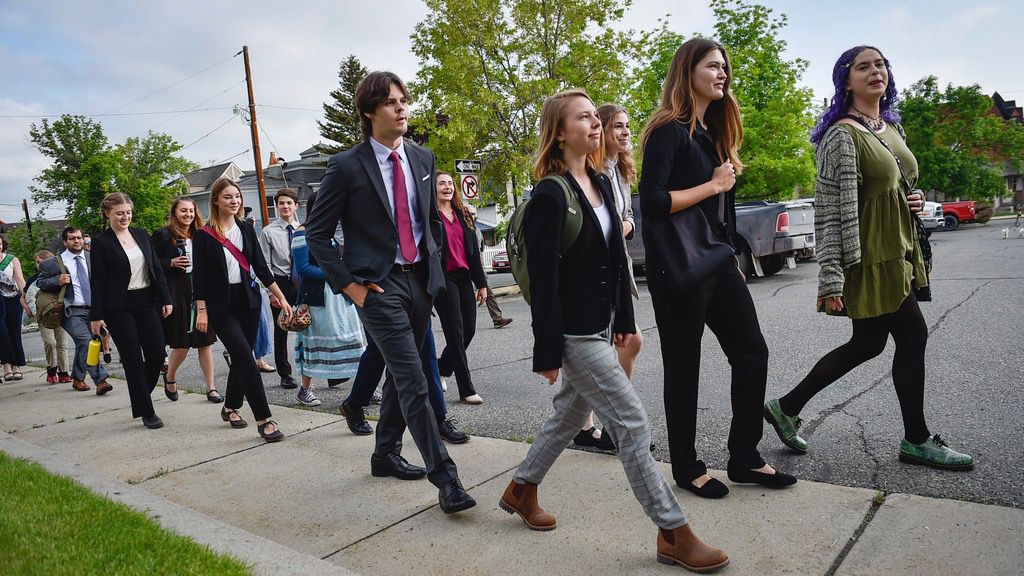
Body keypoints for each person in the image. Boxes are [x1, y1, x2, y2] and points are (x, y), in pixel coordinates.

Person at [499, 88, 727, 572]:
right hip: (575, 335)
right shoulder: (549, 194)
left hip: (603, 325)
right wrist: (547, 351)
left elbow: (615, 261)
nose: (594, 123)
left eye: (593, 116)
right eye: (583, 118)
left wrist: (624, 319)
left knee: (566, 418)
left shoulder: (601, 183)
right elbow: (544, 281)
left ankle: (521, 488)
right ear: (560, 132)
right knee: (631, 422)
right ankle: (672, 531)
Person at [763, 46, 973, 471]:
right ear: (846, 80)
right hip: (873, 257)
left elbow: (896, 181)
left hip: (900, 250)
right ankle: (916, 439)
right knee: (912, 337)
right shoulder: (841, 135)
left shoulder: (889, 126)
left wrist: (912, 197)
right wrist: (832, 276)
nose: (875, 71)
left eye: (881, 65)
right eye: (864, 67)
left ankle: (786, 406)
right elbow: (830, 209)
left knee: (868, 343)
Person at [306, 70, 475, 514]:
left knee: (405, 379)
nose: (402, 108)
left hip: (421, 280)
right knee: (414, 379)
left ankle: (384, 454)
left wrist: (435, 270)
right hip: (378, 286)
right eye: (391, 102)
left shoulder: (423, 158)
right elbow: (319, 235)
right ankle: (447, 480)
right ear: (369, 112)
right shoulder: (346, 166)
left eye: (404, 100)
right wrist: (351, 287)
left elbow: (430, 221)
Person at [638, 38, 796, 499]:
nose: (722, 73)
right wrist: (711, 185)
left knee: (752, 353)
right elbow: (653, 202)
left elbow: (720, 214)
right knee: (684, 369)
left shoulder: (713, 133)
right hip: (680, 272)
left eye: (725, 67)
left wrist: (731, 257)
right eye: (712, 66)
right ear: (687, 73)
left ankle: (744, 456)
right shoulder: (669, 130)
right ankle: (686, 468)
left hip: (717, 264)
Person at [193, 177, 293, 443]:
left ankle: (229, 407)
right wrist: (201, 310)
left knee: (242, 358)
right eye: (228, 197)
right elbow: (199, 277)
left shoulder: (246, 229)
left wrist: (281, 298)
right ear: (216, 200)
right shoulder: (203, 235)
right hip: (220, 305)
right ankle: (264, 419)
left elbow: (261, 266)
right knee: (245, 358)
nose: (234, 201)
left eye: (237, 196)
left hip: (248, 301)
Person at [571, 103, 644, 452]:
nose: (625, 132)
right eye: (618, 126)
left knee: (604, 349)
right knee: (624, 343)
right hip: (596, 273)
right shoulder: (592, 170)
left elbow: (626, 217)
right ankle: (611, 424)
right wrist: (620, 226)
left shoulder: (620, 171)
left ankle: (586, 425)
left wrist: (624, 225)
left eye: (628, 126)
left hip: (619, 265)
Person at [89, 193, 173, 429]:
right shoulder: (102, 242)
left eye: (128, 212)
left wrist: (166, 298)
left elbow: (155, 267)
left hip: (147, 300)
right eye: (119, 213)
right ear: (108, 214)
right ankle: (147, 411)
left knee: (157, 353)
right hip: (119, 306)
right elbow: (97, 280)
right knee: (133, 359)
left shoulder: (140, 234)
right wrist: (95, 315)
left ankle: (140, 396)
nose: (125, 217)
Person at [290, 191, 366, 407]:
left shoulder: (331, 232)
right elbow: (303, 268)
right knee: (315, 344)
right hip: (317, 299)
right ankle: (305, 389)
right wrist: (337, 273)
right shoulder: (302, 233)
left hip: (341, 296)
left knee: (352, 340)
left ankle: (364, 387)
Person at [151, 197, 223, 403]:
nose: (188, 215)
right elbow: (151, 263)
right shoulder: (163, 235)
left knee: (205, 342)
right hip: (177, 291)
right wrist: (170, 262)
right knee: (181, 344)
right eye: (183, 211)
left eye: (191, 211)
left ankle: (211, 388)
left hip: (201, 291)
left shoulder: (202, 234)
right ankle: (170, 376)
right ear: (174, 213)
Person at [36, 227, 112, 394]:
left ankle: (77, 378)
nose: (77, 241)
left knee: (84, 345)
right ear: (65, 242)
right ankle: (101, 380)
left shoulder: (92, 258)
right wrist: (57, 280)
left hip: (94, 310)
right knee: (85, 341)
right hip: (70, 310)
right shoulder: (53, 263)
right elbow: (40, 283)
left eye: (79, 238)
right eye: (72, 238)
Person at [434, 172, 487, 405]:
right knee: (454, 332)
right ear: (433, 189)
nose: (447, 187)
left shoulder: (463, 214)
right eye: (441, 183)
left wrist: (482, 283)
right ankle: (466, 389)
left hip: (464, 277)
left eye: (449, 183)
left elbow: (473, 252)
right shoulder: (430, 217)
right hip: (444, 279)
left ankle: (440, 368)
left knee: (469, 330)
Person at [259, 187, 300, 389]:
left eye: (289, 203)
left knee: (310, 324)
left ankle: (320, 369)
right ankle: (285, 374)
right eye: (281, 203)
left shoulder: (304, 229)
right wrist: (271, 292)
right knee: (282, 328)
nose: (285, 206)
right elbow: (264, 264)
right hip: (280, 282)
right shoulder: (268, 232)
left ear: (296, 206)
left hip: (301, 281)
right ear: (277, 206)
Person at [24, 250, 71, 384]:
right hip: (43, 314)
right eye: (37, 262)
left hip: (59, 311)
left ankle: (64, 372)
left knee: (62, 343)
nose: (39, 265)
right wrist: (33, 309)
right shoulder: (34, 279)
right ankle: (51, 368)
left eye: (41, 262)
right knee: (50, 342)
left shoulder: (61, 274)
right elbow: (26, 296)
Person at [0, 235, 27, 380]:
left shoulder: (11, 260)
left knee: (14, 332)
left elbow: (20, 280)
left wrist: (26, 297)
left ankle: (16, 366)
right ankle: (6, 365)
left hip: (12, 299)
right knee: (2, 333)